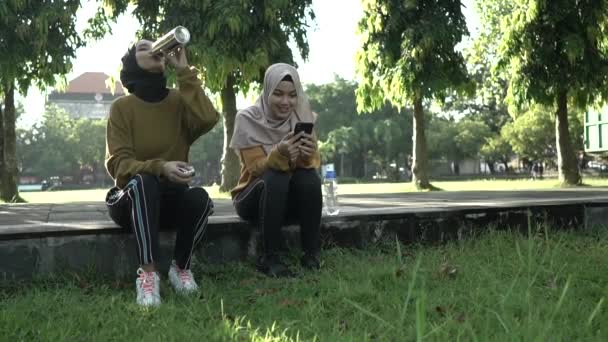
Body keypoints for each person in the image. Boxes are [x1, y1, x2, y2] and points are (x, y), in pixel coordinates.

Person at [104, 39, 219, 306]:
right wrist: (161, 167)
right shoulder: (122, 108)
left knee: (199, 198)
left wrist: (184, 70)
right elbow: (120, 167)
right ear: (133, 62)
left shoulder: (178, 101)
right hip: (132, 203)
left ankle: (181, 268)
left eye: (156, 46)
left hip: (169, 201)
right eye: (144, 48)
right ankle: (147, 275)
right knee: (145, 182)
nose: (154, 48)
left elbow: (208, 118)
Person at [230, 63, 322, 277]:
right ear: (267, 92)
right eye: (278, 94)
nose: (285, 102)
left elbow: (311, 165)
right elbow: (255, 168)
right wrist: (278, 153)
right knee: (276, 177)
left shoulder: (303, 117)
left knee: (309, 178)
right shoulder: (247, 118)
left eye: (292, 95)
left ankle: (312, 253)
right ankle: (269, 257)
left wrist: (308, 154)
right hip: (252, 199)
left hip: (286, 201)